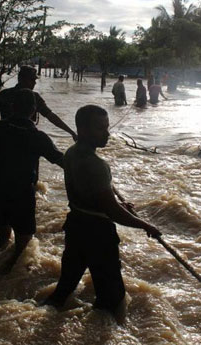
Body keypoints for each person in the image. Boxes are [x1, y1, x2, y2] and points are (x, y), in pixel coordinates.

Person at [43, 105, 162, 319]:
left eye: (106, 127)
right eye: (100, 128)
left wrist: (114, 203)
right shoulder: (97, 165)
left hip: (76, 225)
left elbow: (93, 197)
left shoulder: (71, 153)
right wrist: (145, 225)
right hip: (97, 234)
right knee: (112, 298)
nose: (107, 133)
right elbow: (111, 211)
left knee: (64, 287)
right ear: (82, 129)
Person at [0, 89, 64, 274]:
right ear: (33, 111)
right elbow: (62, 161)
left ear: (12, 107)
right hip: (22, 195)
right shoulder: (38, 137)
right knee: (23, 243)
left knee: (3, 234)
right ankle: (5, 274)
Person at [0, 66, 77, 146]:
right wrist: (71, 132)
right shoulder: (33, 97)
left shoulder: (4, 95)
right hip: (24, 140)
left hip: (4, 139)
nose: (34, 83)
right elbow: (50, 116)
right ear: (22, 79)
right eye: (32, 79)